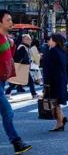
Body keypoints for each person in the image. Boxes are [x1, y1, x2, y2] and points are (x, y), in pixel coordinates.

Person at [0, 10, 32, 154]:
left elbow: (9, 58)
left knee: (7, 112)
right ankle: (17, 142)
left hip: (2, 82)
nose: (11, 22)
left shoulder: (7, 39)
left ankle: (17, 143)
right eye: (8, 20)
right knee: (8, 111)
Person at [43, 33, 68, 132]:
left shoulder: (52, 51)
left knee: (55, 102)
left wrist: (46, 81)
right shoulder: (62, 50)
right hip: (61, 78)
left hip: (54, 80)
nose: (48, 41)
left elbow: (49, 68)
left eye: (49, 39)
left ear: (54, 40)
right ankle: (62, 118)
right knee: (56, 100)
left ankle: (59, 123)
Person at [5, 34, 37, 99]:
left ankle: (7, 93)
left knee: (16, 81)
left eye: (30, 39)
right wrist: (26, 62)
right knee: (29, 81)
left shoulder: (24, 47)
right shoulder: (22, 47)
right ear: (24, 40)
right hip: (22, 67)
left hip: (23, 67)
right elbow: (18, 58)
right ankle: (34, 94)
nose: (30, 41)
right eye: (29, 39)